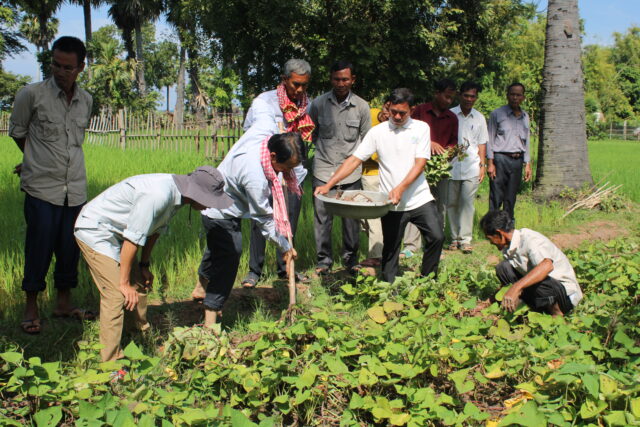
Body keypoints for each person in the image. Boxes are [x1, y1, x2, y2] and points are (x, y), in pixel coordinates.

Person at [74, 167, 232, 361]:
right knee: (115, 295)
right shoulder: (158, 195)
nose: (209, 206)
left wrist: (144, 265)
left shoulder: (178, 197)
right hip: (96, 230)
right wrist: (123, 283)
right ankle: (110, 360)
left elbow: (154, 229)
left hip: (118, 233)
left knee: (139, 284)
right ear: (196, 193)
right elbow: (132, 239)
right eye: (208, 200)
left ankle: (140, 336)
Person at [9, 36, 93, 334]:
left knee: (69, 248)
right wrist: (33, 159)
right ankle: (31, 308)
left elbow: (74, 143)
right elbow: (18, 132)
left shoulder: (86, 100)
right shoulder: (30, 95)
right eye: (55, 64)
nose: (60, 71)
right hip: (42, 189)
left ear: (81, 67)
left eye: (67, 67)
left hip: (76, 189)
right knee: (39, 248)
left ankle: (63, 303)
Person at [315, 88, 444, 283]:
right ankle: (388, 286)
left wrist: (400, 188)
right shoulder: (377, 132)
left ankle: (427, 279)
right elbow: (354, 160)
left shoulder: (421, 128)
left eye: (403, 112)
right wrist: (329, 184)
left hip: (419, 197)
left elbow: (420, 164)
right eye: (393, 112)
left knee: (437, 236)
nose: (398, 116)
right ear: (387, 107)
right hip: (390, 202)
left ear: (412, 109)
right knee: (391, 249)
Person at [198, 132, 304, 327]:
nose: (287, 173)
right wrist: (285, 246)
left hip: (225, 202)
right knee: (229, 258)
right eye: (286, 167)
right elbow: (263, 219)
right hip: (218, 210)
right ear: (272, 156)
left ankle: (200, 286)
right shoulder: (255, 176)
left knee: (217, 248)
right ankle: (210, 324)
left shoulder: (262, 141)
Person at [230, 58, 312, 291]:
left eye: (304, 85)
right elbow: (252, 134)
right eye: (295, 84)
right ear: (284, 80)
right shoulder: (264, 103)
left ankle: (284, 267)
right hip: (268, 172)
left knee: (288, 222)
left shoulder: (308, 105)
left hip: (295, 175)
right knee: (261, 219)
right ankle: (254, 270)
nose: (299, 90)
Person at [308, 60, 371, 274]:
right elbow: (311, 132)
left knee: (351, 221)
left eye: (345, 79)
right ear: (330, 79)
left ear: (352, 80)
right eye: (337, 79)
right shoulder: (318, 104)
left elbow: (366, 141)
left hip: (351, 175)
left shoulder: (362, 107)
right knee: (322, 219)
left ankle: (350, 260)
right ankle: (323, 262)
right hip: (323, 171)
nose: (341, 83)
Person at [480, 210, 583, 316]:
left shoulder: (531, 240)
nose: (491, 242)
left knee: (541, 279)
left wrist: (516, 287)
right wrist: (488, 302)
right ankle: (528, 310)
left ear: (499, 234)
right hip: (544, 295)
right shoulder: (509, 248)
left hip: (565, 296)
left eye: (490, 238)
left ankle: (557, 318)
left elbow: (547, 266)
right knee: (504, 268)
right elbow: (511, 282)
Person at [403, 78, 458, 256]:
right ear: (437, 93)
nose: (449, 102)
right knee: (413, 203)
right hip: (417, 167)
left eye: (451, 98)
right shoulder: (419, 111)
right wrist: (430, 143)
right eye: (446, 97)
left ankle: (434, 244)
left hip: (440, 169)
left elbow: (453, 143)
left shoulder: (452, 117)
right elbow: (408, 134)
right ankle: (411, 246)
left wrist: (448, 153)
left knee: (438, 206)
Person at [447, 82, 488, 254]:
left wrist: (482, 165)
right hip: (450, 167)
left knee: (467, 204)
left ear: (476, 98)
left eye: (473, 96)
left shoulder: (479, 118)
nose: (469, 99)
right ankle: (454, 238)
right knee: (452, 203)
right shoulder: (450, 115)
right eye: (466, 95)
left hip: (471, 166)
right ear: (460, 95)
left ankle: (465, 240)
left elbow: (481, 143)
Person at [486, 83, 532, 222]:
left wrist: (527, 163)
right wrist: (490, 163)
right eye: (512, 94)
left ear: (523, 97)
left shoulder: (525, 116)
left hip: (517, 160)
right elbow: (490, 138)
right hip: (500, 159)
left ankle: (508, 226)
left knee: (511, 197)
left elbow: (527, 141)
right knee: (496, 195)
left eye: (518, 95)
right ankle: (492, 227)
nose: (515, 97)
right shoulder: (497, 114)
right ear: (507, 95)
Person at [359, 103, 390, 267]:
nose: (389, 117)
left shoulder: (395, 124)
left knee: (375, 216)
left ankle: (376, 255)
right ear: (385, 106)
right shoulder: (369, 114)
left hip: (383, 175)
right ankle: (381, 251)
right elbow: (366, 145)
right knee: (365, 218)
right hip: (367, 173)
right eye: (388, 112)